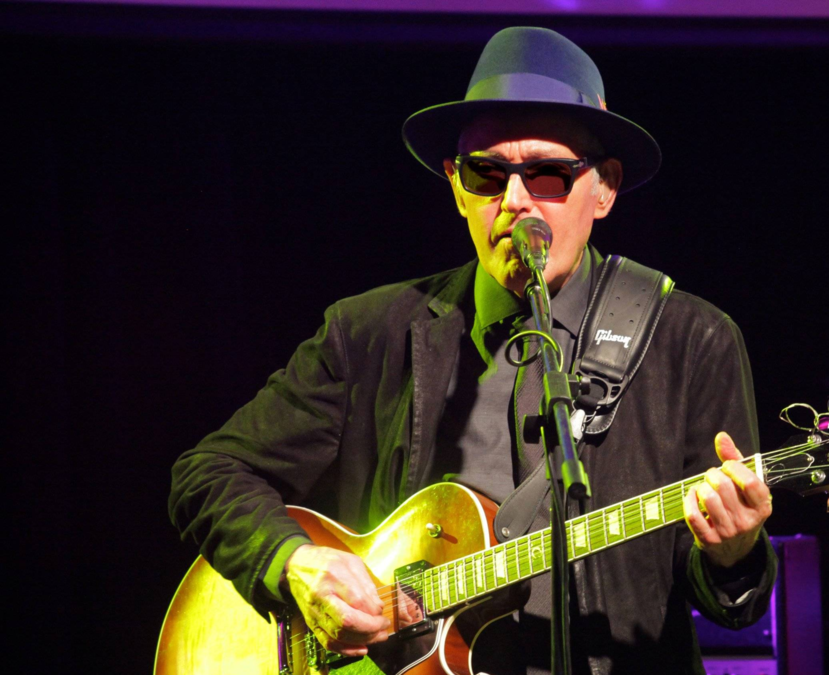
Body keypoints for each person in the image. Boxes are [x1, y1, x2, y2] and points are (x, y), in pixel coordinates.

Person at [170, 26, 777, 674]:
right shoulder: (370, 332)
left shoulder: (691, 340)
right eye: (486, 174)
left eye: (548, 175)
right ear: (457, 186)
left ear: (604, 187)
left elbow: (730, 602)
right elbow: (207, 472)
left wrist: (734, 551)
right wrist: (293, 562)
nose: (514, 202)